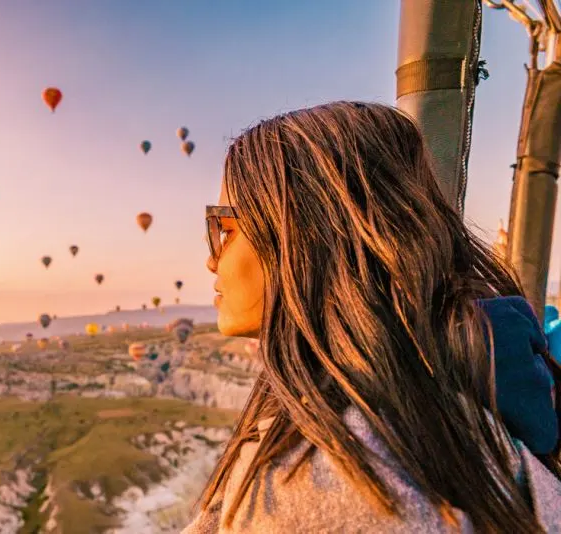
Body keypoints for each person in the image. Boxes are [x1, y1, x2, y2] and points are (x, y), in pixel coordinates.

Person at [184, 102, 561, 533]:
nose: (212, 262)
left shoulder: (324, 479)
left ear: (306, 235)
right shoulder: (469, 402)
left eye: (224, 229)